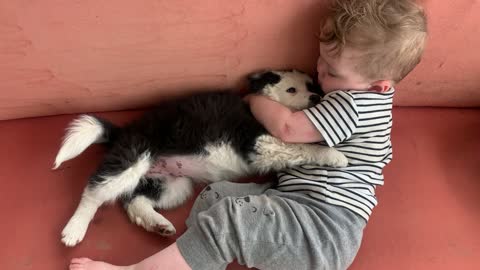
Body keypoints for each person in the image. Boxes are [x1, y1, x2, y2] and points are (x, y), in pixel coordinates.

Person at [68, 0, 427, 269]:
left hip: (322, 226)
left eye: (332, 72)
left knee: (229, 221)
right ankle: (194, 256)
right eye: (320, 61)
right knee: (216, 198)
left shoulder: (355, 104)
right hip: (297, 204)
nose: (319, 74)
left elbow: (287, 128)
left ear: (379, 86)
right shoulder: (368, 98)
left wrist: (257, 99)